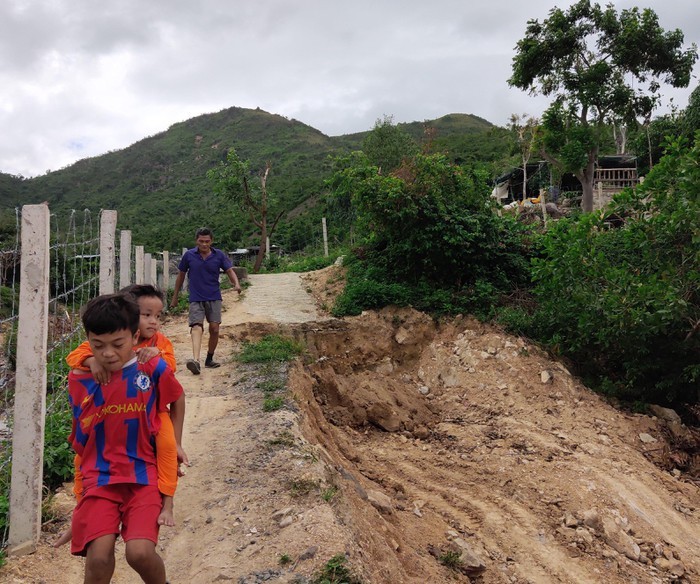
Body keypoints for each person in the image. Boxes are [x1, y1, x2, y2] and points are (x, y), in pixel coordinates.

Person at [55, 285, 187, 548]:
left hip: (152, 407)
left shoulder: (159, 344)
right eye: (146, 314)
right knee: (85, 453)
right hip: (115, 424)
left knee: (166, 447)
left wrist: (153, 355)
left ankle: (167, 502)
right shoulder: (105, 340)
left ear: (131, 333)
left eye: (157, 316)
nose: (153, 321)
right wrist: (92, 361)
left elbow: (169, 372)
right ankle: (82, 509)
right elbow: (76, 356)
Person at [170, 227, 241, 374]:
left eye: (207, 241)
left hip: (214, 296)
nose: (204, 244)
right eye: (201, 241)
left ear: (211, 241)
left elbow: (229, 270)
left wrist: (236, 283)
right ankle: (195, 361)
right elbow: (181, 276)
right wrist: (175, 296)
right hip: (195, 298)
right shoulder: (189, 256)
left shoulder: (219, 255)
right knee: (196, 326)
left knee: (214, 329)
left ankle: (209, 358)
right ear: (196, 241)